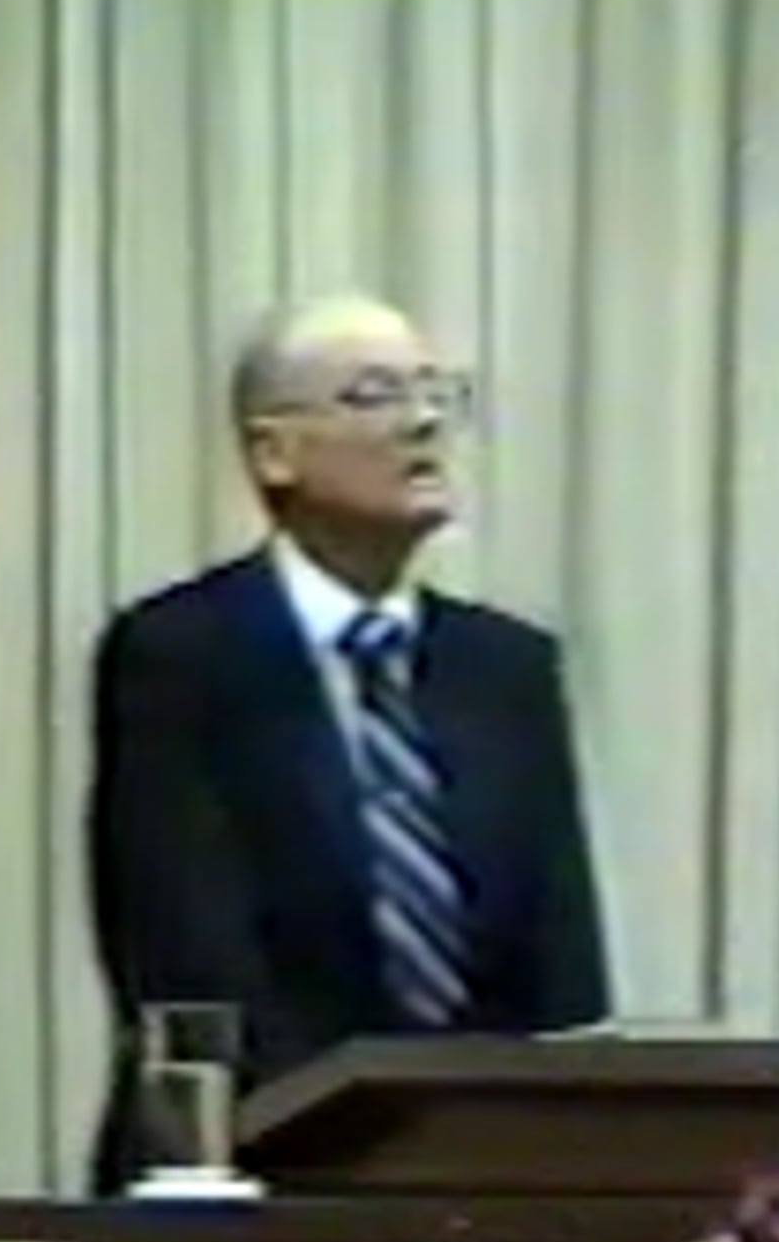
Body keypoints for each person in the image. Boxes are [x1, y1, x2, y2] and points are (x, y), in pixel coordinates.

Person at [81, 292, 613, 1194]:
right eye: (376, 395)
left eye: (437, 394)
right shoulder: (179, 654)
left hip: (485, 1187)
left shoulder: (508, 665)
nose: (424, 423)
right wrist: (371, 1145)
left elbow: (561, 958)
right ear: (273, 453)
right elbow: (186, 953)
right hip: (257, 1167)